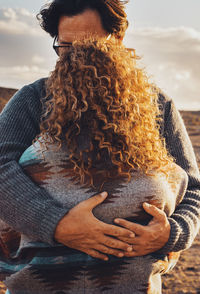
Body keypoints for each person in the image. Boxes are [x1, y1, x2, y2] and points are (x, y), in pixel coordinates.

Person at [0, 0, 199, 293]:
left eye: (90, 45)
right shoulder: (33, 100)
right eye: (66, 47)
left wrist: (171, 233)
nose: (77, 58)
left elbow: (193, 189)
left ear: (118, 38)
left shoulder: (157, 105)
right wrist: (57, 224)